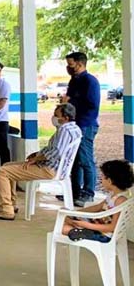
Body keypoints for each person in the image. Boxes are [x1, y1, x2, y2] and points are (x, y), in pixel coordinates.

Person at [0, 103, 82, 221]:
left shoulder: (64, 130)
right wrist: (37, 154)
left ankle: (7, 209)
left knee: (2, 172)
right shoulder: (75, 128)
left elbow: (56, 153)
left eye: (56, 115)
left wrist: (36, 159)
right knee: (7, 166)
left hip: (49, 169)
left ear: (66, 118)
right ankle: (10, 204)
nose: (54, 117)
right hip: (53, 167)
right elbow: (54, 149)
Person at [60, 160, 134, 241]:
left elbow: (112, 227)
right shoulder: (113, 195)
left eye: (102, 177)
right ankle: (79, 230)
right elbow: (98, 207)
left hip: (104, 234)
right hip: (96, 224)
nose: (101, 180)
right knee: (65, 217)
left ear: (109, 181)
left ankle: (81, 232)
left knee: (64, 228)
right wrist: (75, 213)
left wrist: (87, 225)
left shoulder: (120, 200)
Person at [64, 51, 100, 206]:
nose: (68, 68)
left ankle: (88, 193)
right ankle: (74, 191)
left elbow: (92, 104)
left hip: (86, 124)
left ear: (79, 64)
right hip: (74, 124)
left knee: (86, 160)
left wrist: (72, 100)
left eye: (71, 65)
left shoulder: (90, 81)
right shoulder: (74, 81)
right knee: (75, 160)